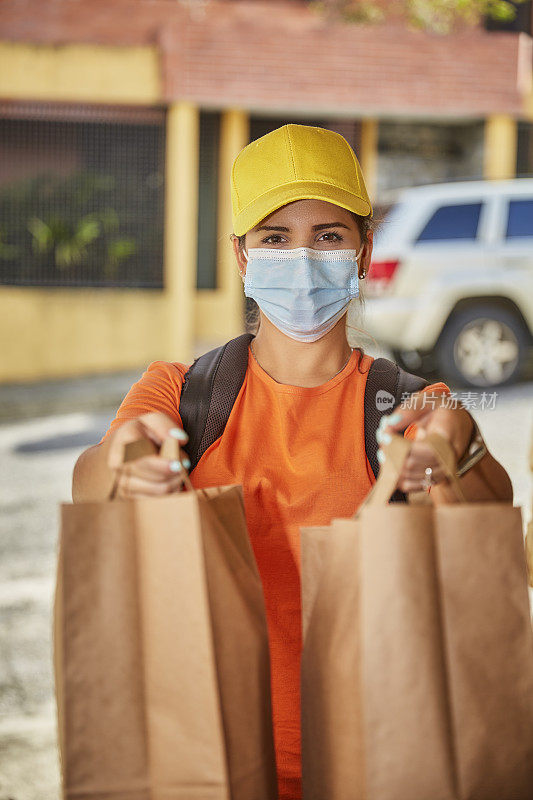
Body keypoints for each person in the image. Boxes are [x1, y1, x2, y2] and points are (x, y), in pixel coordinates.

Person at [72, 123, 513, 800]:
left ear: (363, 253)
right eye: (275, 238)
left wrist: (460, 445)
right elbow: (95, 479)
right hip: (209, 759)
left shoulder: (413, 407)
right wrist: (129, 457)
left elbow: (490, 527)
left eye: (328, 236)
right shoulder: (182, 394)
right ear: (242, 256)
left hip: (385, 755)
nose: (301, 258)